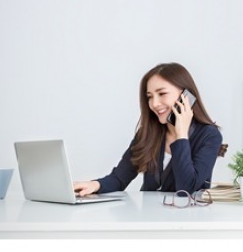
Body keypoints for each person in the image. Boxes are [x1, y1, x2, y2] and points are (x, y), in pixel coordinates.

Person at [73, 62, 224, 196]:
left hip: (186, 217)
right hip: (148, 216)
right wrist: (95, 185)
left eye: (162, 93)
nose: (154, 103)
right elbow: (119, 178)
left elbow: (186, 189)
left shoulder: (210, 136)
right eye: (150, 96)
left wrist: (181, 135)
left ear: (186, 96)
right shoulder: (149, 133)